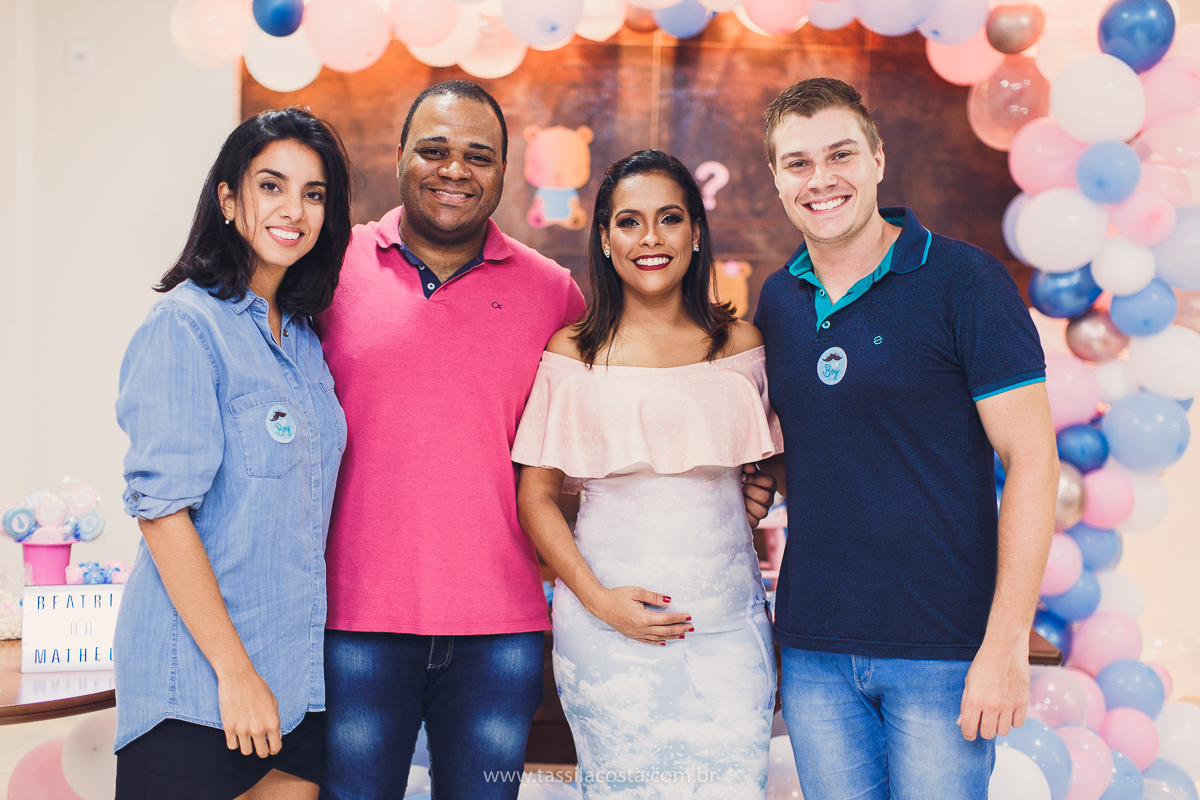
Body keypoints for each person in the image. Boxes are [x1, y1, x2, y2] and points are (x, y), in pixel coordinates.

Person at [740, 78, 1059, 799]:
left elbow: (1032, 461)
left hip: (942, 649)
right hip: (815, 647)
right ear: (777, 179)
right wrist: (760, 479)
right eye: (798, 163)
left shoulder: (966, 281)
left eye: (841, 154)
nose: (821, 179)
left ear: (878, 159)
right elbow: (824, 445)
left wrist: (1006, 643)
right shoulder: (779, 300)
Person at [315, 81, 587, 800]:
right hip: (352, 623)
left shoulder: (554, 293)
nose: (455, 170)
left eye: (478, 155)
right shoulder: (327, 268)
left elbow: (598, 435)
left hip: (502, 631)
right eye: (434, 150)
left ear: (505, 170)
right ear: (399, 154)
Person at [514, 149, 784, 798]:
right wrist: (598, 600)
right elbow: (536, 498)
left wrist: (758, 487)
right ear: (605, 239)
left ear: (697, 232)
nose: (651, 238)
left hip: (729, 632)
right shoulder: (572, 352)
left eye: (669, 218)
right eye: (630, 222)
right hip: (606, 633)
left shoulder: (744, 346)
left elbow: (777, 455)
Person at [113, 107, 353, 800]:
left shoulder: (303, 338)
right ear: (227, 198)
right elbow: (162, 513)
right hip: (198, 684)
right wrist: (235, 672)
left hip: (294, 682)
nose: (293, 210)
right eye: (271, 185)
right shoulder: (185, 326)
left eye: (313, 193)